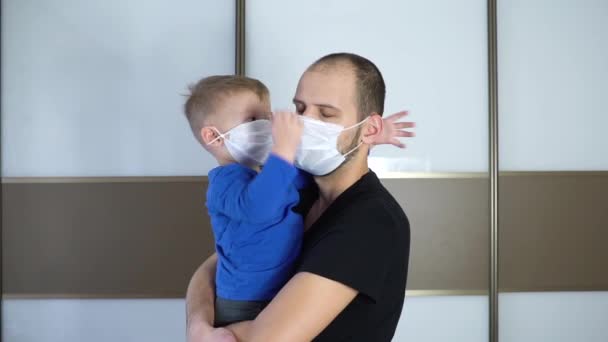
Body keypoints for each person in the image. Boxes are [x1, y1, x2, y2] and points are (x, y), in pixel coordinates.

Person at [182, 73, 412, 330]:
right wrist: (200, 327)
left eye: (268, 117)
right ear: (213, 137)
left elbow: (299, 175)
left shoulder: (371, 218)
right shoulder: (225, 183)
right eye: (252, 120)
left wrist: (364, 139)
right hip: (244, 300)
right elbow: (259, 208)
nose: (269, 126)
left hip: (270, 296)